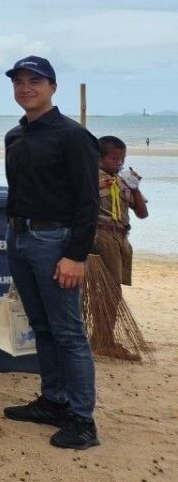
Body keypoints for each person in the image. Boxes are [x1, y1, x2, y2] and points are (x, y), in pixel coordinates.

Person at [2, 56, 101, 450]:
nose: (26, 88)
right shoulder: (15, 135)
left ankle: (82, 419)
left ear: (52, 87)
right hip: (19, 238)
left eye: (35, 81)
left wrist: (76, 255)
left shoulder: (72, 136)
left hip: (54, 243)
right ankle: (53, 401)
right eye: (19, 82)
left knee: (69, 332)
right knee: (40, 326)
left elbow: (88, 202)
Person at [91, 135, 148, 359]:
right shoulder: (90, 178)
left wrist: (134, 188)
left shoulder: (122, 181)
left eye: (122, 158)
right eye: (114, 158)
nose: (119, 163)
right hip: (102, 235)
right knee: (108, 289)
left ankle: (101, 337)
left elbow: (142, 213)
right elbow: (77, 203)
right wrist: (97, 187)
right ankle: (103, 341)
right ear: (99, 157)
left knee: (114, 289)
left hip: (121, 238)